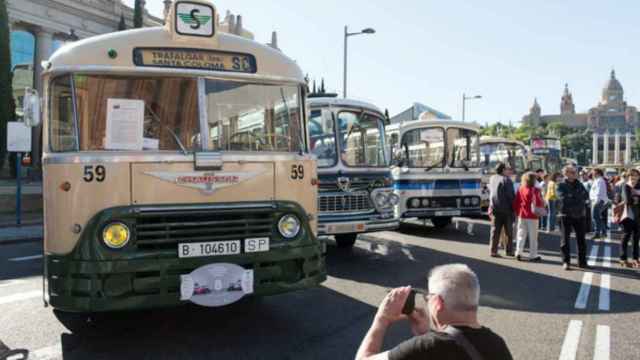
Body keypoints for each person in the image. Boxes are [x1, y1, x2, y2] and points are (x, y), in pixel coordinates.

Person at [355, 264, 513, 360]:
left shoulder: (425, 348)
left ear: (437, 303)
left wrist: (381, 319)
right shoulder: (498, 344)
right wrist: (426, 333)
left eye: (428, 297)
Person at [556, 165, 590, 270]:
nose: (575, 174)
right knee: (565, 240)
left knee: (581, 240)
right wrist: (577, 198)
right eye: (572, 172)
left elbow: (586, 196)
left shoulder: (579, 184)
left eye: (575, 172)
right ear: (566, 173)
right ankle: (566, 262)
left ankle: (582, 262)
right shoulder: (561, 185)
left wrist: (573, 196)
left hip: (580, 215)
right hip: (566, 215)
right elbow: (563, 199)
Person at [513, 172, 545, 262]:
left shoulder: (521, 188)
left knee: (520, 234)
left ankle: (518, 252)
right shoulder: (535, 190)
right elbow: (539, 202)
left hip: (522, 214)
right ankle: (533, 255)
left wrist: (517, 212)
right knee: (533, 237)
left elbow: (516, 202)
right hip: (532, 216)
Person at [488, 162, 516, 257]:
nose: (509, 171)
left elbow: (492, 193)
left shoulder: (492, 178)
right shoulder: (507, 180)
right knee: (509, 232)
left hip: (494, 208)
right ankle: (509, 251)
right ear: (503, 170)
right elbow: (510, 196)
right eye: (508, 169)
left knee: (495, 231)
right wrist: (514, 208)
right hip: (506, 209)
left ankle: (493, 251)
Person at [618, 168, 640, 268]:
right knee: (626, 237)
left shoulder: (639, 185)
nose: (634, 177)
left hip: (638, 216)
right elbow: (627, 200)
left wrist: (635, 197)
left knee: (636, 238)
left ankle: (636, 258)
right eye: (632, 175)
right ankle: (623, 258)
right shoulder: (625, 185)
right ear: (628, 176)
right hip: (627, 215)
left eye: (636, 175)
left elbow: (634, 200)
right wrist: (636, 197)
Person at [590, 168, 609, 240]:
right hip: (597, 200)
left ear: (598, 173)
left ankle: (597, 233)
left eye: (593, 172)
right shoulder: (597, 180)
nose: (592, 174)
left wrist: (596, 201)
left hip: (597, 201)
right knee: (597, 217)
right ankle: (603, 232)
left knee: (595, 217)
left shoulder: (600, 180)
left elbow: (599, 191)